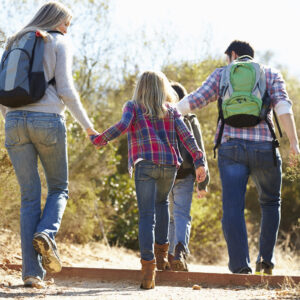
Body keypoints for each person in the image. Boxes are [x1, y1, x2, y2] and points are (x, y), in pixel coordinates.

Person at [176, 40, 300, 275]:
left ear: (232, 55)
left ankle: (240, 267)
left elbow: (195, 100)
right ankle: (265, 261)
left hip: (230, 148)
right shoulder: (270, 73)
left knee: (233, 207)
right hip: (264, 147)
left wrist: (169, 111)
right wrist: (294, 143)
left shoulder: (222, 74)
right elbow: (283, 107)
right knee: (271, 202)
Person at [0, 1, 97, 288]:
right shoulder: (58, 41)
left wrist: (11, 118)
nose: (68, 28)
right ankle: (46, 233)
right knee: (59, 188)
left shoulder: (14, 41)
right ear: (55, 20)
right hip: (48, 121)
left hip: (14, 123)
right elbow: (65, 88)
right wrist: (89, 127)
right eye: (67, 22)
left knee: (29, 197)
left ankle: (31, 274)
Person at [90, 70, 206, 289]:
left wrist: (100, 139)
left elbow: (122, 126)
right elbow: (187, 136)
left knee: (146, 215)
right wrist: (199, 161)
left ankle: (148, 270)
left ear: (140, 87)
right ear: (163, 89)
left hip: (144, 164)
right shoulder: (171, 110)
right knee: (162, 204)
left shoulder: (132, 106)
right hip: (169, 166)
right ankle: (162, 257)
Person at [167, 81, 210, 271]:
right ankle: (180, 251)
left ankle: (168, 255)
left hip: (165, 173)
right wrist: (203, 182)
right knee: (182, 214)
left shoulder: (162, 116)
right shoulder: (190, 118)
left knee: (169, 217)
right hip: (185, 173)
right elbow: (199, 148)